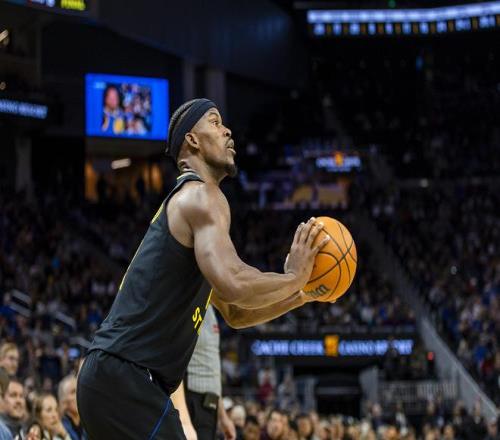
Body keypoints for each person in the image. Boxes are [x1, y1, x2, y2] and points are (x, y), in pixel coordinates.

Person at [77, 98, 328, 439]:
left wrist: (301, 294)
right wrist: (294, 276)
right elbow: (234, 283)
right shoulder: (202, 196)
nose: (227, 130)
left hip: (110, 378)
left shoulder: (191, 207)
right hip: (127, 377)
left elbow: (236, 313)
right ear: (192, 140)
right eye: (214, 121)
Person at [173, 304, 235, 440]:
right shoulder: (187, 303)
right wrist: (183, 418)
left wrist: (223, 416)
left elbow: (212, 366)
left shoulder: (211, 307)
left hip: (210, 403)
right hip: (190, 398)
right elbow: (173, 358)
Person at [58, 375, 86, 440]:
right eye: (73, 392)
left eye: (78, 390)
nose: (78, 394)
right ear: (63, 399)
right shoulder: (60, 426)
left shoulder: (87, 420)